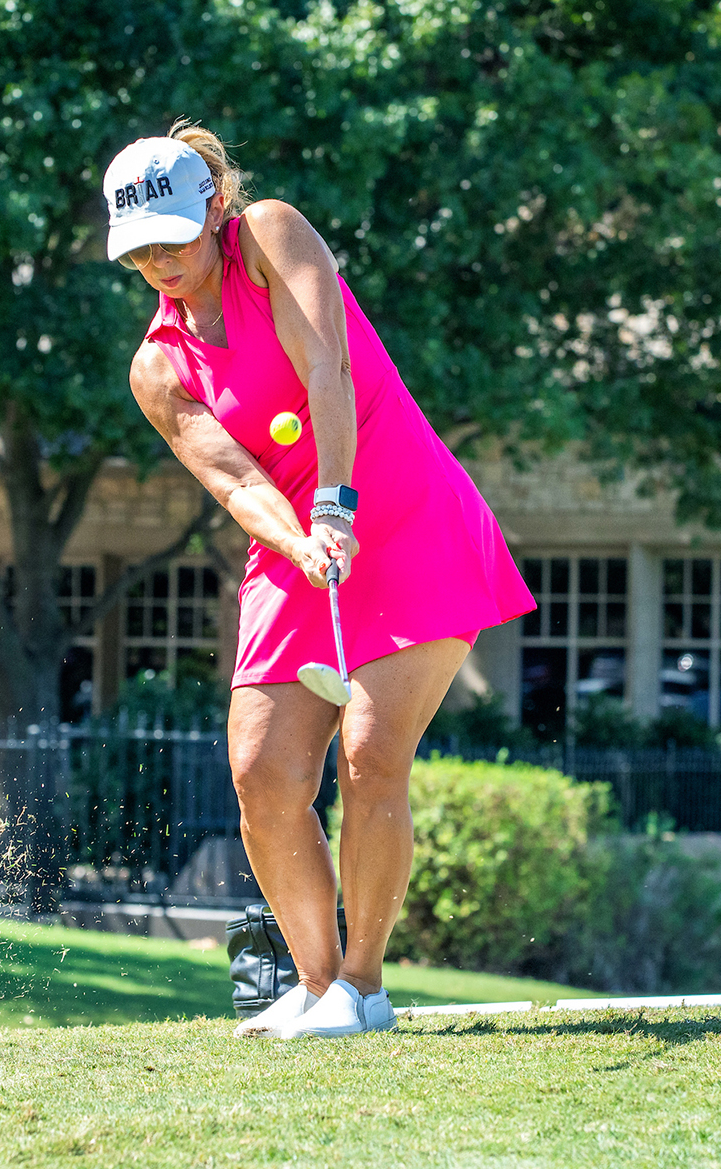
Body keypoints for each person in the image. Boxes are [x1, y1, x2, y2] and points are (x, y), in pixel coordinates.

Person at [108, 125, 535, 1038]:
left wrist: (336, 506)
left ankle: (363, 990)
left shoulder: (271, 233)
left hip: (403, 514)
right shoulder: (157, 367)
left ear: (213, 208)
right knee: (261, 773)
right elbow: (235, 481)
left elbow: (327, 368)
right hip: (297, 547)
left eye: (171, 240)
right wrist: (302, 542)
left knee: (370, 755)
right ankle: (314, 986)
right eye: (138, 252)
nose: (158, 264)